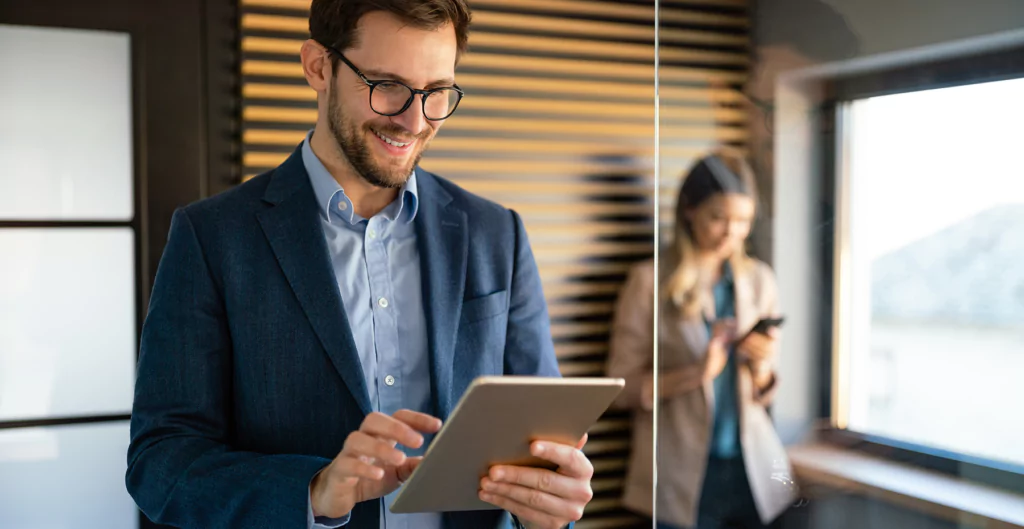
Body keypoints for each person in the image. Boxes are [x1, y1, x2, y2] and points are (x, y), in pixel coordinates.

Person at [125, 1, 595, 528]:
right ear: (317, 67)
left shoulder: (496, 234)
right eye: (387, 85)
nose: (415, 122)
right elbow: (159, 463)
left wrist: (551, 506)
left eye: (436, 92)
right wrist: (314, 491)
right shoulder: (212, 238)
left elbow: (542, 443)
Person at [605, 152, 797, 529]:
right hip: (680, 474)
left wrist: (760, 368)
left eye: (743, 220)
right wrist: (697, 373)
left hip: (752, 472)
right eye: (718, 218)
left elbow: (765, 392)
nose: (731, 233)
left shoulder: (760, 280)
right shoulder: (648, 282)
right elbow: (619, 389)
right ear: (689, 210)